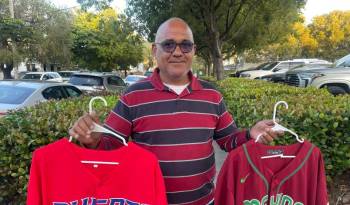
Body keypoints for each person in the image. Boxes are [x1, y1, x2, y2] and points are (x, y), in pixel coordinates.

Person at [69, 17, 282, 205]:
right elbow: (112, 146)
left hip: (204, 201)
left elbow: (228, 140)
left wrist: (250, 134)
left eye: (185, 45)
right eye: (169, 44)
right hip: (149, 200)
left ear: (194, 50)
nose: (178, 52)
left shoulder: (212, 95)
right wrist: (93, 140)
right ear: (155, 50)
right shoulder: (133, 96)